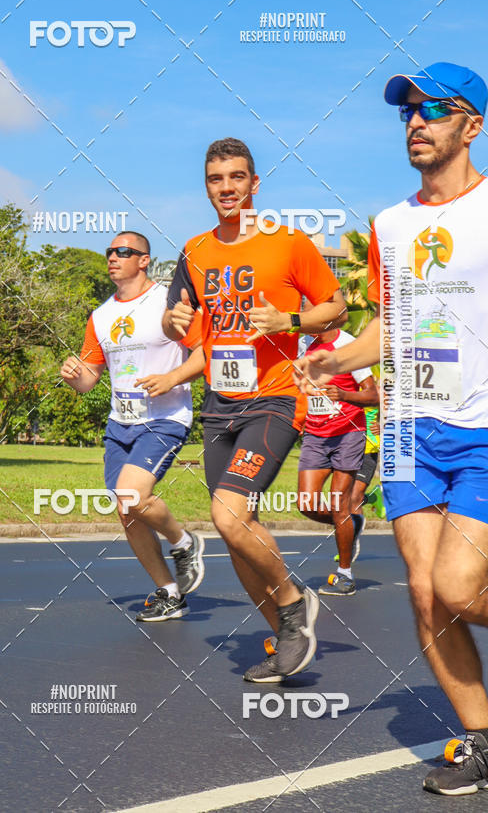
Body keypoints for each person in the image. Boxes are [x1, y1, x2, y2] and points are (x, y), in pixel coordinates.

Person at [295, 62, 488, 796]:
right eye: (407, 110)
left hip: (482, 426)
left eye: (434, 108)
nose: (415, 121)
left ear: (473, 125)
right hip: (407, 430)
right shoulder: (389, 225)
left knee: (460, 586)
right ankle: (482, 741)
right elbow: (389, 323)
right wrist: (336, 360)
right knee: (425, 594)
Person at [162, 137, 348, 682]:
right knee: (236, 530)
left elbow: (336, 308)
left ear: (254, 183)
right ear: (206, 186)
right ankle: (288, 638)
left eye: (236, 177)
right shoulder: (194, 251)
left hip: (274, 399)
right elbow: (178, 322)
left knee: (227, 513)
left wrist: (290, 322)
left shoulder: (288, 243)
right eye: (216, 179)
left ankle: (293, 604)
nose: (226, 188)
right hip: (220, 405)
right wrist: (173, 324)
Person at [60, 231, 206, 622]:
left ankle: (184, 541)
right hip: (120, 423)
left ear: (144, 260)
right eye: (110, 251)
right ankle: (170, 592)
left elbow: (205, 353)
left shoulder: (168, 302)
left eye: (124, 251)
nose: (113, 257)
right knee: (127, 509)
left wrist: (172, 378)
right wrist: (74, 374)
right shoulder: (101, 316)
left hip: (164, 418)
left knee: (133, 494)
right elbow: (89, 378)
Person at [298, 325, 378, 595]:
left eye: (307, 310)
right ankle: (350, 524)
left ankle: (345, 575)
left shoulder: (349, 345)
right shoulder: (303, 345)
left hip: (348, 434)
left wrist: (343, 395)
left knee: (339, 504)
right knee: (306, 504)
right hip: (315, 435)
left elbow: (373, 395)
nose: (303, 319)